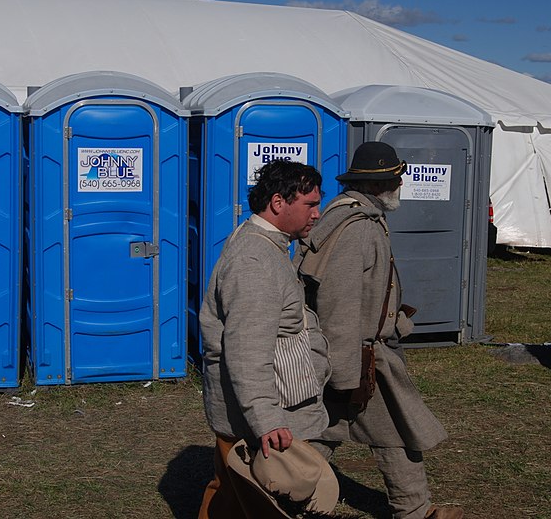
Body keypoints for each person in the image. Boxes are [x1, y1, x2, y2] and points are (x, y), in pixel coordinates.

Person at [295, 142, 463, 519]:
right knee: (390, 432)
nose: (399, 186)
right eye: (394, 180)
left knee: (328, 431)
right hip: (356, 356)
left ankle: (283, 498)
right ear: (377, 186)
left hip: (358, 352)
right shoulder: (358, 228)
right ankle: (413, 510)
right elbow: (339, 302)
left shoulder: (359, 217)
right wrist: (343, 370)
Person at [198, 160, 332, 518]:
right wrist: (267, 419)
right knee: (254, 502)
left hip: (257, 416)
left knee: (230, 497)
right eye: (310, 204)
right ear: (278, 203)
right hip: (260, 420)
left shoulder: (264, 244)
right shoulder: (255, 261)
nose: (317, 214)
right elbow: (246, 351)